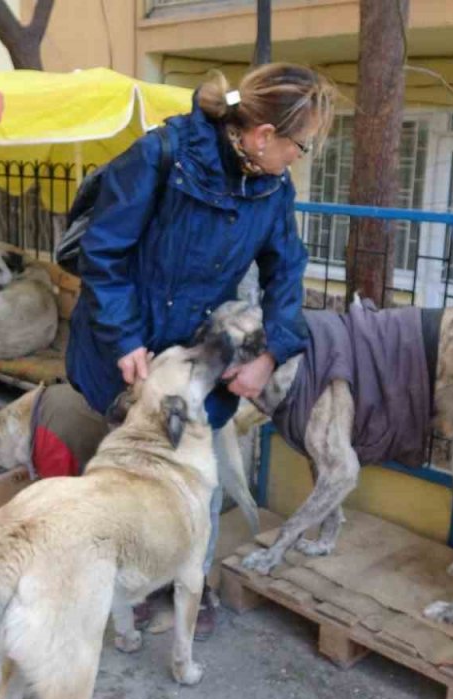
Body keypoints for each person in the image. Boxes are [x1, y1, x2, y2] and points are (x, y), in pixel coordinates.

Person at [65, 63, 338, 638]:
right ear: (263, 135)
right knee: (133, 473)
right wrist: (124, 339)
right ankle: (136, 581)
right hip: (128, 349)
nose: (300, 157)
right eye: (301, 144)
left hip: (198, 358)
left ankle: (193, 580)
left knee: (199, 475)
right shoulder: (161, 155)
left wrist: (270, 354)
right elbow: (103, 254)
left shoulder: (273, 188)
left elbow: (286, 273)